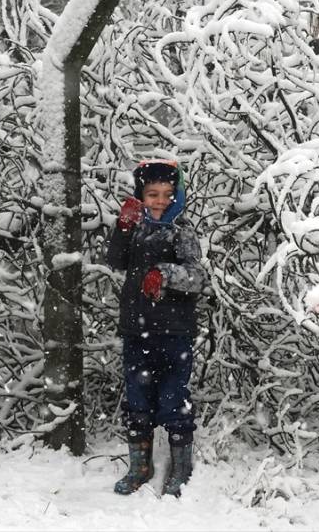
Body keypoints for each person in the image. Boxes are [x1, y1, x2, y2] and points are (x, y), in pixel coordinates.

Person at [105, 160, 209, 497]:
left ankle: (181, 468)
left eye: (167, 194)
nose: (160, 201)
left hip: (175, 332)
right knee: (137, 401)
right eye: (152, 194)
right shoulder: (134, 228)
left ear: (176, 195)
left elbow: (197, 277)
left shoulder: (182, 230)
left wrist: (164, 273)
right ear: (141, 195)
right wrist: (122, 228)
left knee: (172, 400)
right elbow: (116, 261)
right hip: (137, 330)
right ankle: (140, 466)